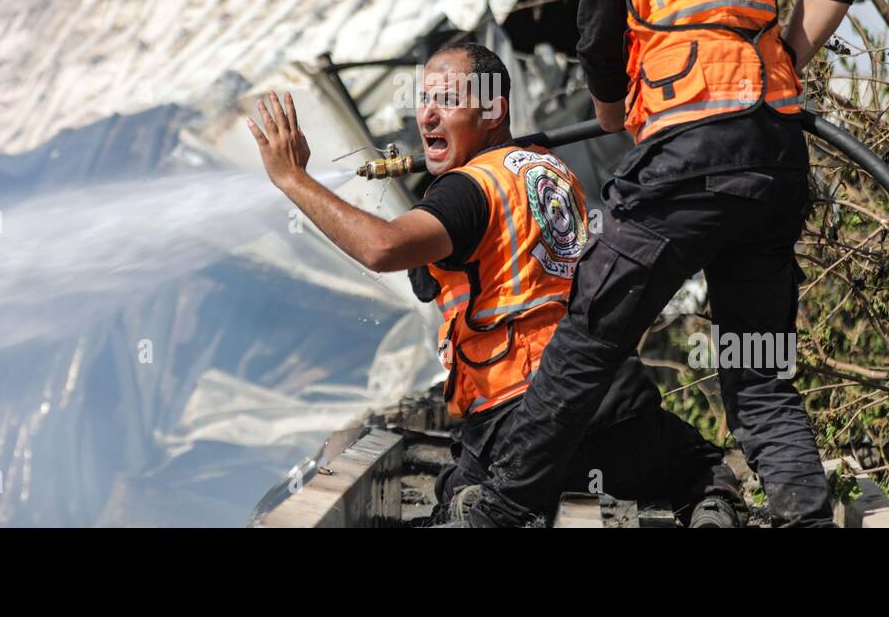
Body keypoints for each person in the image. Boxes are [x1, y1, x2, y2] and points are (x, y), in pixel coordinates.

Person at [461, 0, 865, 528]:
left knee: (586, 343)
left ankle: (499, 515)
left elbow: (598, 44)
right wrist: (774, 63)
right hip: (774, 158)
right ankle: (807, 522)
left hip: (683, 169)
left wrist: (612, 112)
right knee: (759, 374)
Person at [247, 42, 745, 525]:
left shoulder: (468, 190)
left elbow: (383, 247)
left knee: (461, 500)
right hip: (612, 405)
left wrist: (293, 179)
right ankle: (711, 499)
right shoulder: (553, 172)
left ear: (493, 110)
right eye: (424, 100)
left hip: (519, 422)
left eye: (446, 100)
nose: (426, 116)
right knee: (701, 467)